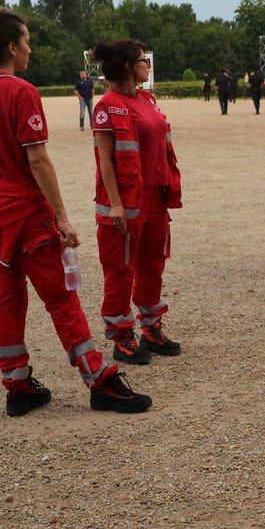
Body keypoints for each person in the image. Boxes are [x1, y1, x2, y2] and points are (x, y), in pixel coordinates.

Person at [0, 6, 149, 416]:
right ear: (11, 47)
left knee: (7, 301)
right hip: (27, 216)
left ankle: (16, 384)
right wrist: (61, 215)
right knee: (62, 299)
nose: (30, 49)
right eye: (26, 42)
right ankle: (99, 380)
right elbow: (38, 161)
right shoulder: (22, 92)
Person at [89, 38, 183, 364]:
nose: (148, 65)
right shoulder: (107, 106)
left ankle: (151, 328)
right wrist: (115, 203)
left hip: (155, 196)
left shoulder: (147, 99)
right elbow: (105, 161)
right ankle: (122, 336)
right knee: (120, 269)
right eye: (143, 60)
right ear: (129, 67)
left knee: (152, 264)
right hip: (126, 202)